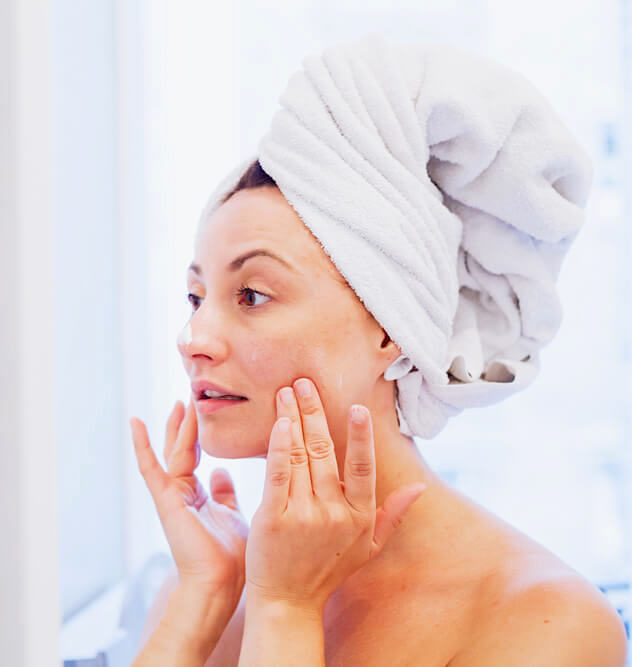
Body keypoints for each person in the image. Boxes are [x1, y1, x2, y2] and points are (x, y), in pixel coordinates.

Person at [128, 35, 629, 666]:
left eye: (251, 295)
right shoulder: (203, 589)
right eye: (197, 297)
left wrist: (285, 611)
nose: (193, 340)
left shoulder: (545, 625)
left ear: (392, 328)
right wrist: (202, 601)